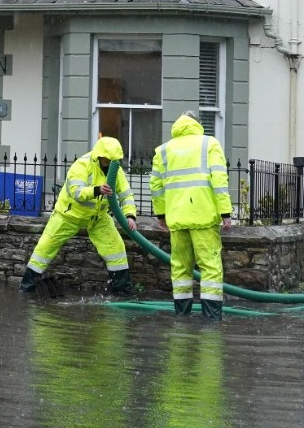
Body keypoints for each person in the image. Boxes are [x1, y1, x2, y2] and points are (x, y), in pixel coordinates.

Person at [20, 136, 138, 295]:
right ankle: (27, 286)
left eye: (114, 161)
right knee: (45, 247)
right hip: (68, 216)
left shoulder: (115, 169)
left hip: (98, 218)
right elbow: (76, 192)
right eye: (108, 160)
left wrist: (130, 216)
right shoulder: (82, 165)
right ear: (99, 156)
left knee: (116, 248)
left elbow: (126, 195)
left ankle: (121, 291)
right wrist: (97, 190)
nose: (111, 164)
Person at [150, 112, 231, 319]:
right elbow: (219, 180)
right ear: (197, 124)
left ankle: (182, 315)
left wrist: (161, 215)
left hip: (177, 219)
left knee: (180, 268)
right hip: (203, 217)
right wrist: (225, 212)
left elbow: (156, 187)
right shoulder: (209, 144)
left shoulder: (163, 150)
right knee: (210, 267)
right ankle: (211, 318)